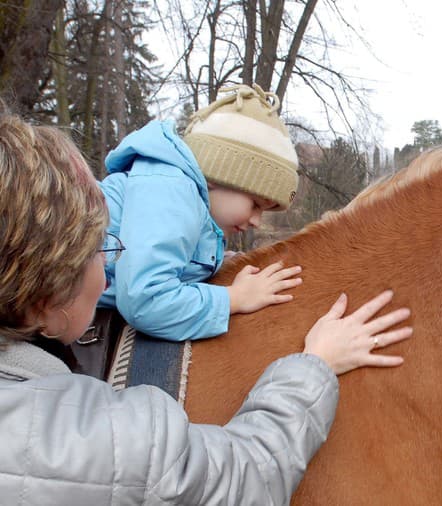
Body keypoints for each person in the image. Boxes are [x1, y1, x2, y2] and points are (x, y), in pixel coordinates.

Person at [0, 110, 412, 503]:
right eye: (101, 248)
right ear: (44, 300)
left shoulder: (184, 200)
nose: (255, 221)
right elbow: (143, 296)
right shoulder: (172, 191)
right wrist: (312, 360)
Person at [98, 84, 305, 341]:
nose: (257, 222)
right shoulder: (171, 191)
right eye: (255, 204)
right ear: (218, 177)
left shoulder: (191, 206)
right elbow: (145, 301)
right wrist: (234, 298)